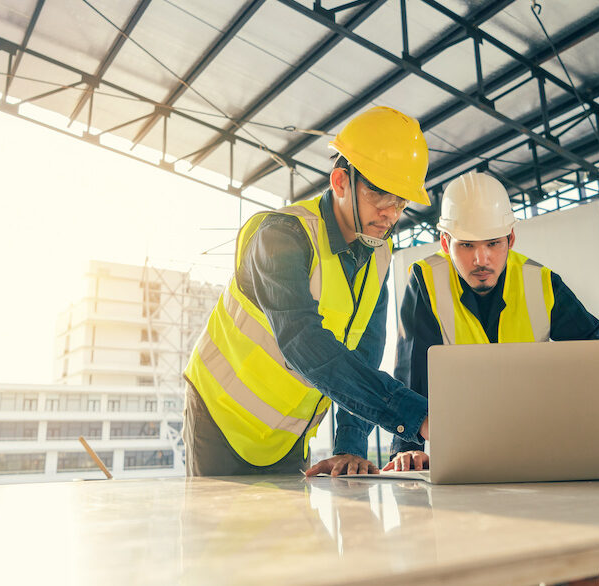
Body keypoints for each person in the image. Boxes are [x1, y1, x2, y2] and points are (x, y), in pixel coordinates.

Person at [383, 171, 599, 472]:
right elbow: (413, 370)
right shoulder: (425, 281)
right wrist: (406, 448)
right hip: (458, 452)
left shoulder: (542, 283)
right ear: (445, 243)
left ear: (511, 238)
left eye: (493, 243)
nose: (482, 258)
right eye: (466, 245)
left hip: (534, 447)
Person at [183, 106, 433, 477]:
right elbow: (301, 340)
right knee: (223, 532)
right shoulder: (280, 236)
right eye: (381, 195)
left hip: (288, 434)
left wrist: (349, 446)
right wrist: (418, 416)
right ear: (340, 182)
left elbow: (363, 353)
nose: (390, 214)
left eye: (401, 201)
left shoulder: (378, 252)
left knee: (289, 533)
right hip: (221, 417)